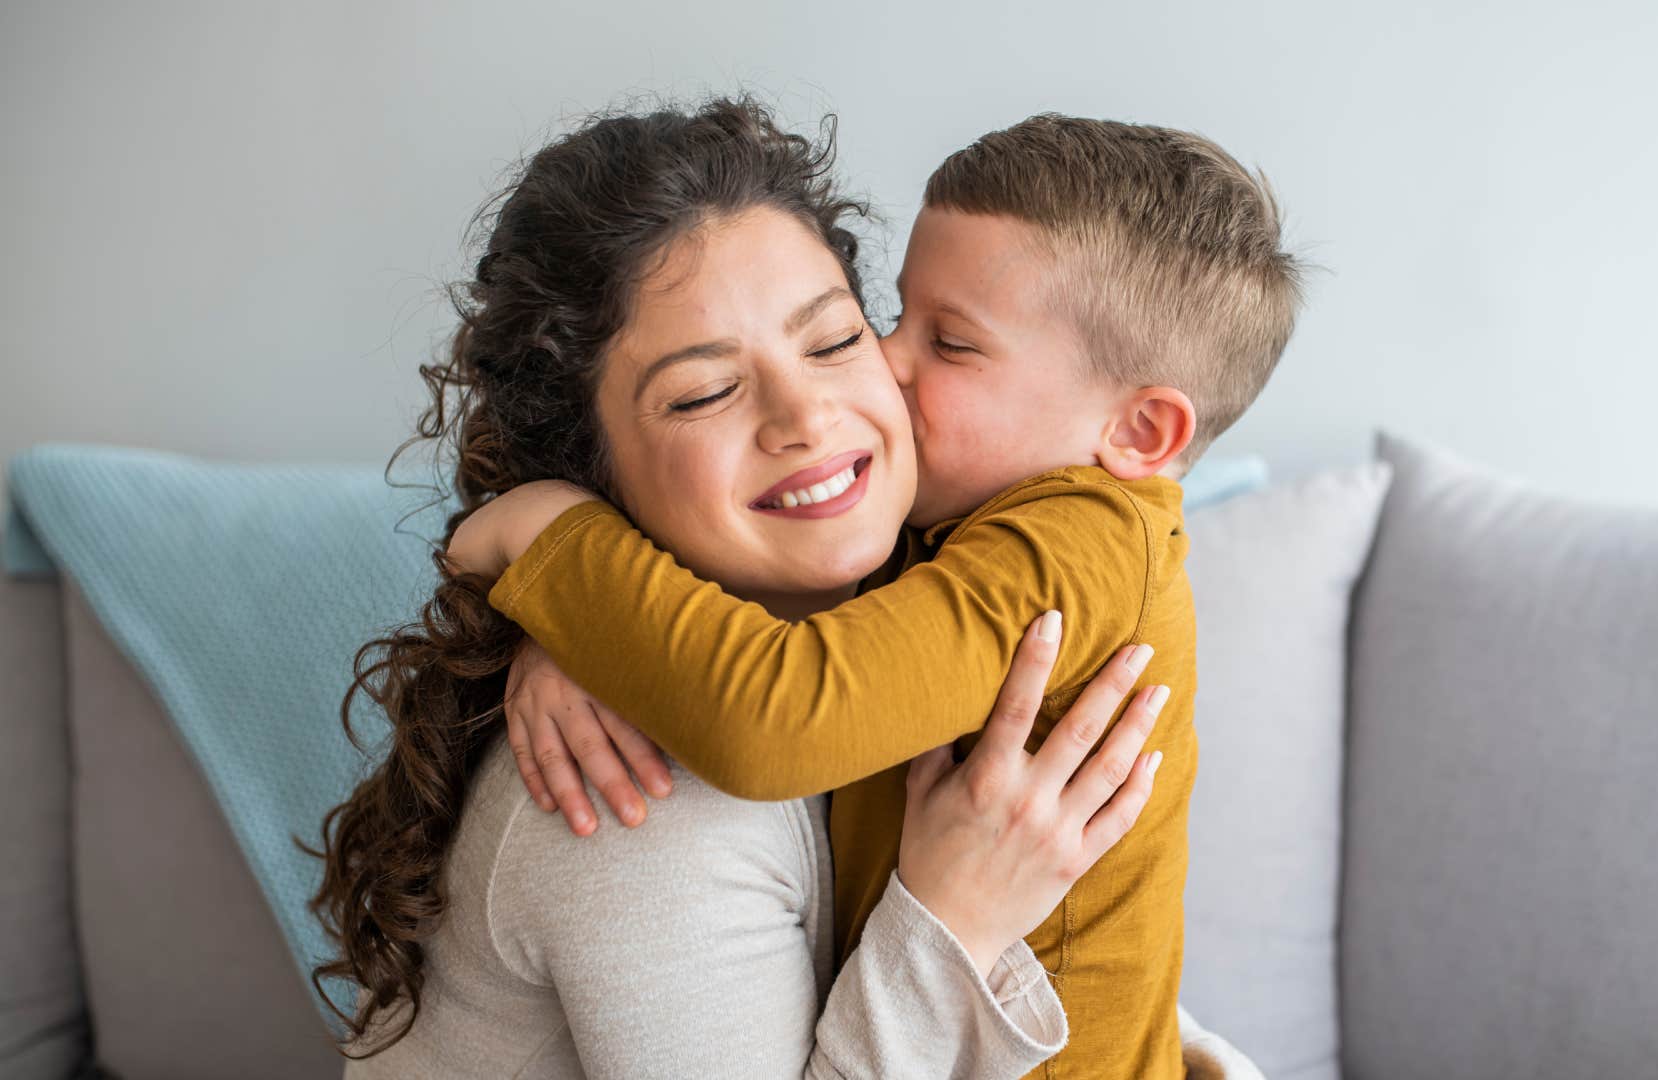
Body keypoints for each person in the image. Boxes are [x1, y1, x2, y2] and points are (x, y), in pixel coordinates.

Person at [312, 98, 1170, 1078]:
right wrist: (954, 924)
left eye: (835, 341)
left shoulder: (919, 605)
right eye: (705, 392)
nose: (806, 415)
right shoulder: (630, 810)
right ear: (593, 473)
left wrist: (567, 613)